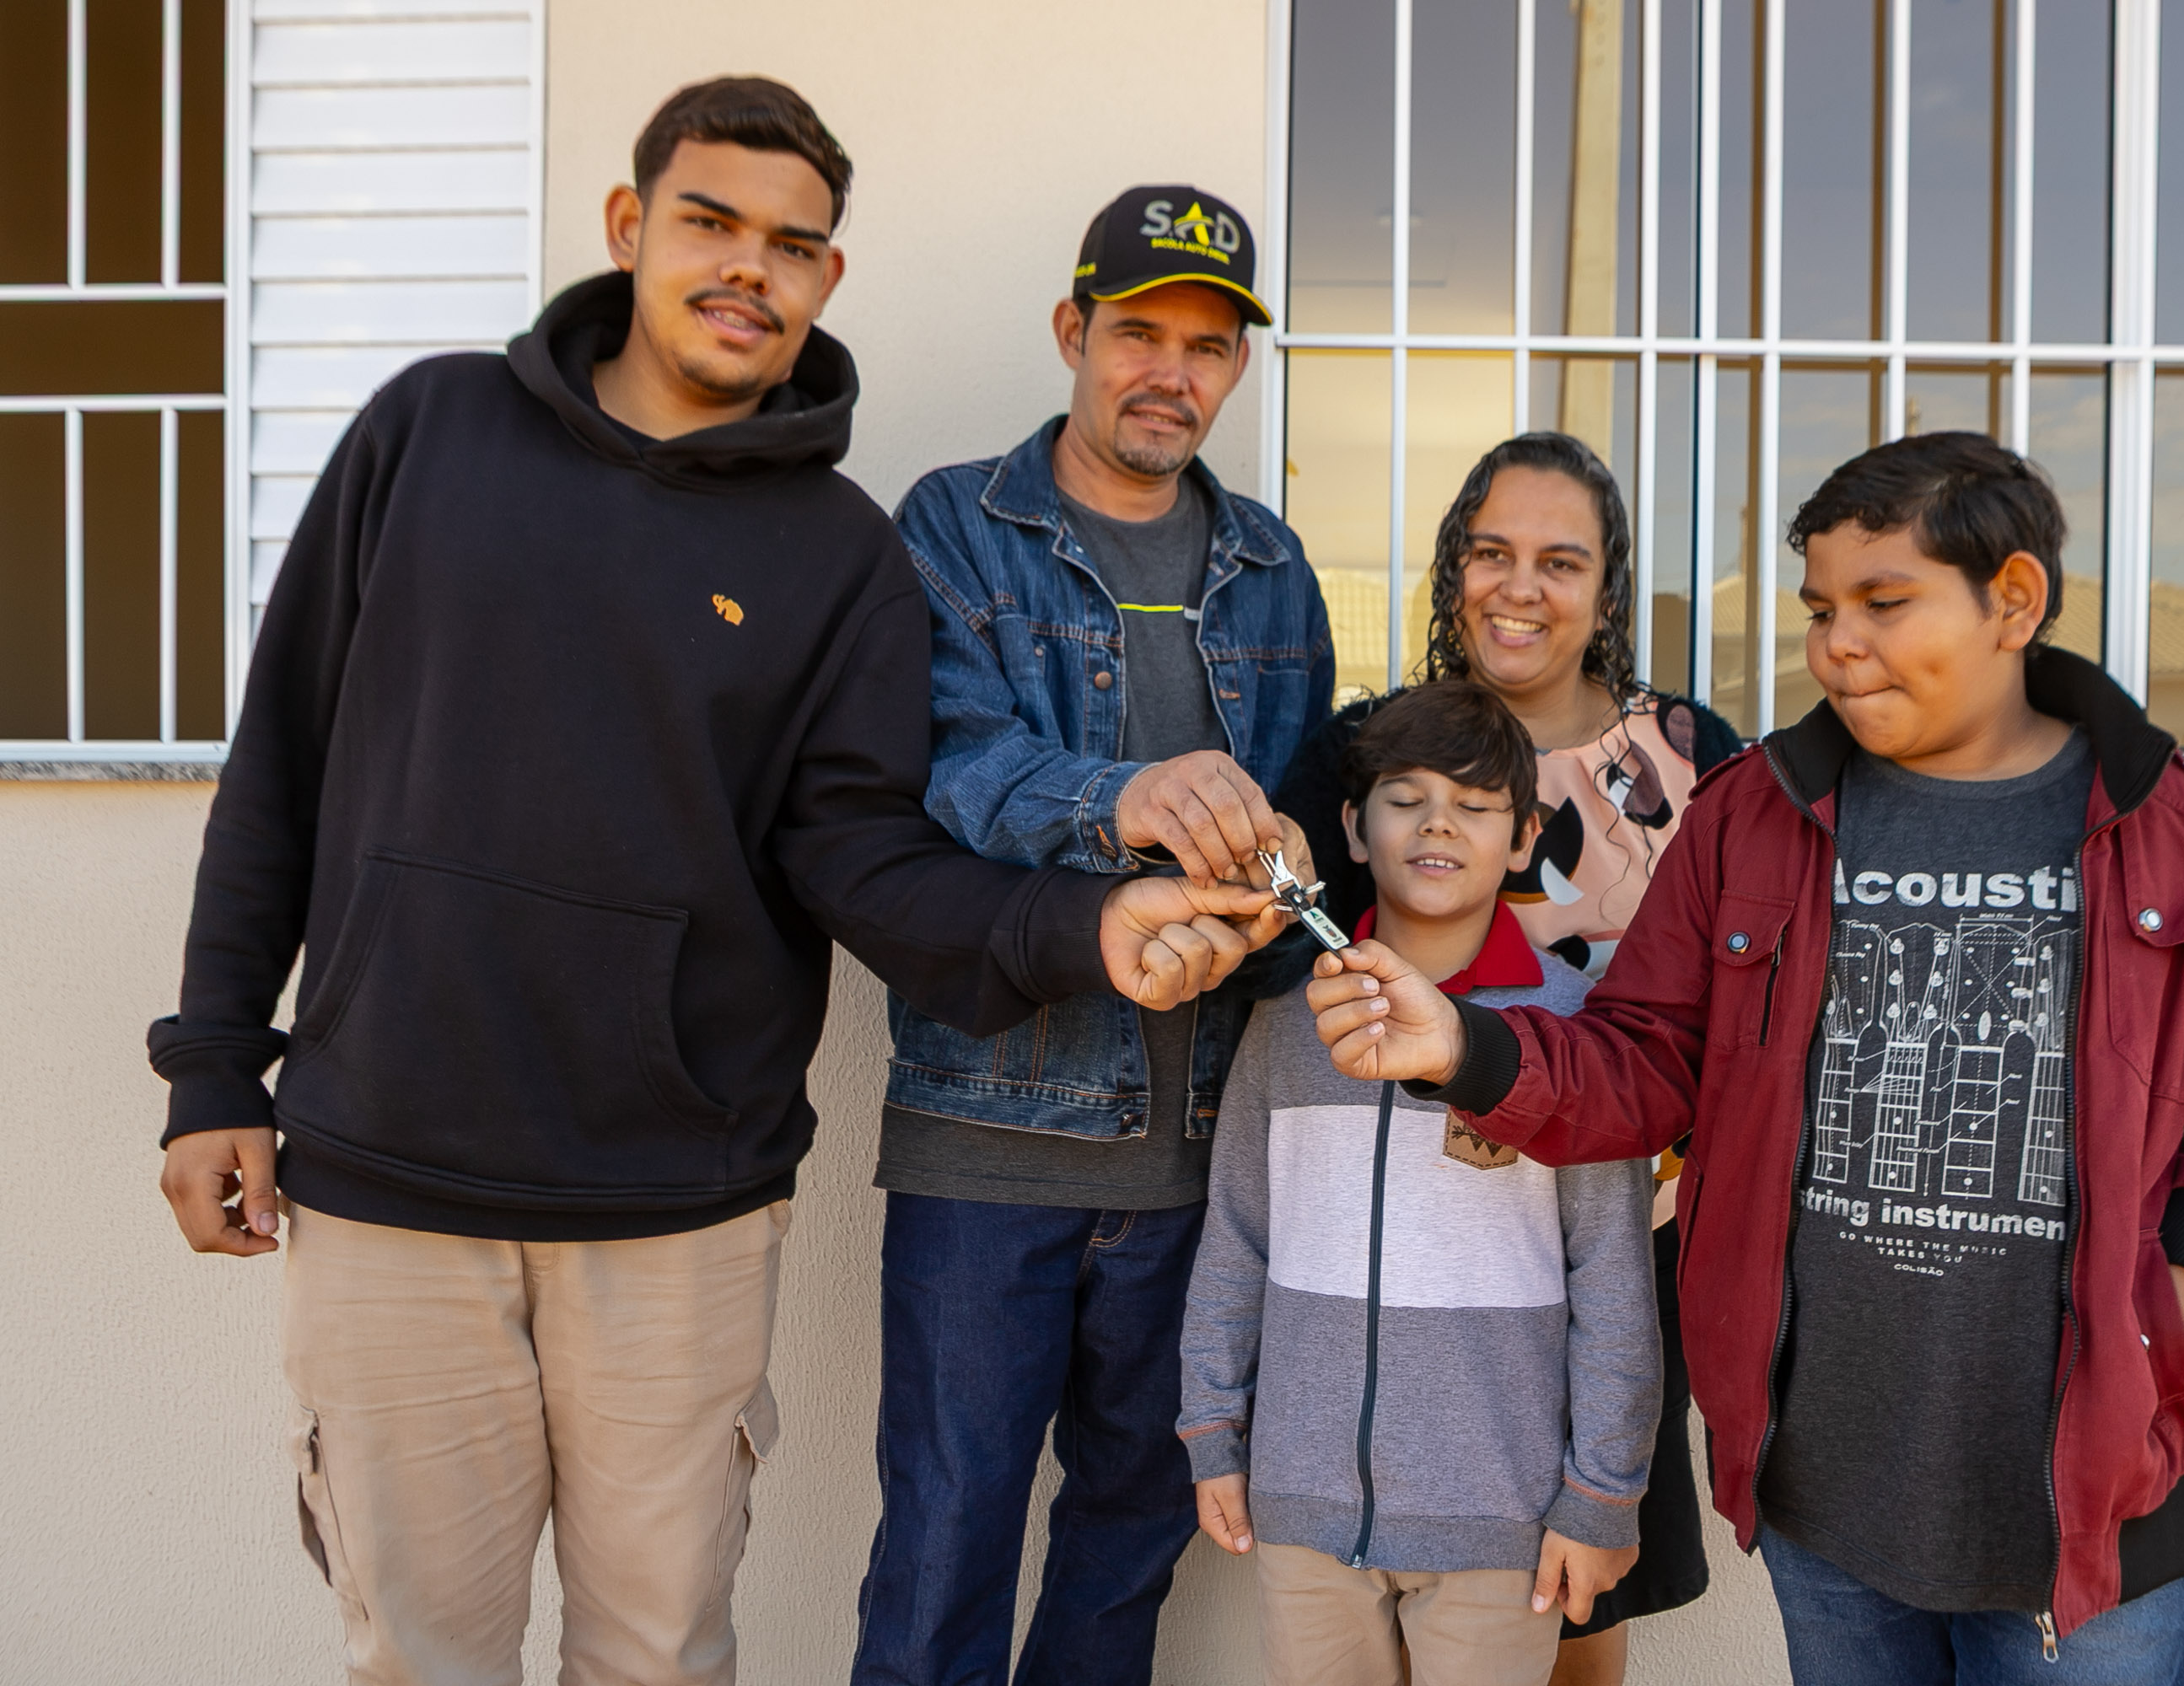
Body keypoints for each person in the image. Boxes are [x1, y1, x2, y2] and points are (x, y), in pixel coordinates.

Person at [147, 81, 1284, 1686]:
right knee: (416, 1656)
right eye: (712, 223)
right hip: (391, 1177)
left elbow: (865, 861)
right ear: (630, 227)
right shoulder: (429, 432)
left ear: (830, 278)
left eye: (795, 245)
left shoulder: (837, 553)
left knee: (662, 1659)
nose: (751, 267)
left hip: (678, 1214)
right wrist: (212, 1066)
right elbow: (281, 764)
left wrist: (1090, 923)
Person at [1305, 432, 2184, 1685]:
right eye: (1819, 609)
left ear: (2013, 601)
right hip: (1831, 1489)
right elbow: (1650, 1058)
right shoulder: (1753, 815)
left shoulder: (2178, 828)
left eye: (1884, 604)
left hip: (2089, 1499)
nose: (1836, 645)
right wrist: (1468, 1048)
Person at [853, 185, 1334, 1685]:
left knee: (1127, 1555)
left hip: (1198, 1169)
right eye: (1139, 332)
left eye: (1208, 345)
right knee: (944, 1549)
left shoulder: (1270, 565)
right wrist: (1133, 796)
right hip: (988, 1145)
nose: (1171, 373)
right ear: (1074, 332)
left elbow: (1304, 816)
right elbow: (947, 767)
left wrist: (1283, 885)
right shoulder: (954, 524)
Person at [1274, 432, 1739, 1683]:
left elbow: (1752, 1009)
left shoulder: (1698, 763)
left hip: (1617, 1241)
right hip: (1399, 1245)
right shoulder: (1368, 751)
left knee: (1579, 1587)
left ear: (1607, 589)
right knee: (1397, 1579)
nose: (1519, 587)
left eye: (1560, 560)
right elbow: (1288, 959)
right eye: (1491, 552)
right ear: (1451, 569)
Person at [1180, 681, 1660, 1686]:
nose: (1440, 821)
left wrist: (1600, 1492)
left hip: (1502, 1518)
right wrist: (1211, 1429)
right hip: (1305, 1503)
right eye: (1407, 795)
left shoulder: (1574, 1036)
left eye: (1478, 803)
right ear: (1351, 827)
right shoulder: (1287, 1023)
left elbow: (1615, 1282)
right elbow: (1237, 1236)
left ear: (1524, 836)